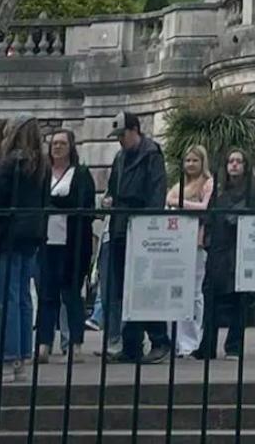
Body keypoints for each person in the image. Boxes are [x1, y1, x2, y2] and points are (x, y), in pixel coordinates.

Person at [0, 114, 48, 384]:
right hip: (32, 235)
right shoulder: (41, 165)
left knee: (5, 297)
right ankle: (20, 357)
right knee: (23, 297)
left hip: (7, 234)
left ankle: (6, 357)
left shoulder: (9, 162)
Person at [104, 111, 169, 364]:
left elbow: (156, 192)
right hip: (121, 224)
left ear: (134, 131)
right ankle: (131, 344)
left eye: (123, 135)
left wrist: (150, 226)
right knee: (124, 289)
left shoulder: (151, 154)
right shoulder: (121, 157)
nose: (120, 140)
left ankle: (159, 339)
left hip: (142, 226)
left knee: (145, 287)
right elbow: (113, 186)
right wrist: (110, 199)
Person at [37, 129, 96, 361]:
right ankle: (43, 342)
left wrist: (55, 205)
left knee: (71, 294)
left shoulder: (80, 174)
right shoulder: (44, 174)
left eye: (62, 143)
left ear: (71, 147)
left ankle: (75, 343)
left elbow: (82, 204)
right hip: (48, 241)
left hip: (73, 243)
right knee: (47, 294)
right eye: (54, 143)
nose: (57, 147)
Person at [199, 149, 254, 360]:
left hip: (240, 251)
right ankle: (207, 345)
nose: (234, 165)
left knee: (239, 300)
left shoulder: (252, 192)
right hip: (218, 251)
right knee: (210, 297)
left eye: (239, 161)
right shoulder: (219, 192)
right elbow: (210, 217)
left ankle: (234, 346)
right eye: (231, 161)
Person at [166, 146, 214, 357]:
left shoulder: (208, 183)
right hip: (177, 243)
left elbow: (205, 207)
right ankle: (174, 340)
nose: (191, 164)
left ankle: (191, 340)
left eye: (195, 160)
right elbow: (167, 202)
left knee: (194, 293)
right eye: (188, 160)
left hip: (197, 242)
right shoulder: (179, 185)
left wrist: (179, 203)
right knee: (176, 292)